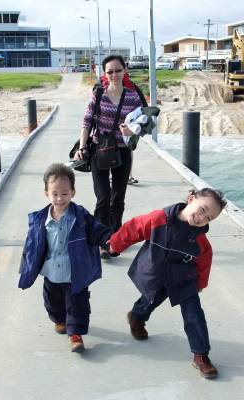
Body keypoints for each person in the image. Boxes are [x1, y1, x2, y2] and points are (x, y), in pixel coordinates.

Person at [108, 188, 227, 379]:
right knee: (150, 299)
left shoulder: (200, 241)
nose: (202, 218)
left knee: (194, 313)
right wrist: (115, 244)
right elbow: (135, 227)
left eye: (209, 218)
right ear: (191, 199)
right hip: (157, 271)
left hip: (183, 278)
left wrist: (200, 283)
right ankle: (136, 317)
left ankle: (201, 354)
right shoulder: (159, 219)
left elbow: (205, 261)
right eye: (203, 209)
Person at [18, 163, 113, 353]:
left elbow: (97, 230)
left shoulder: (81, 217)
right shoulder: (40, 220)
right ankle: (59, 319)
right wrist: (26, 267)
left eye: (64, 193)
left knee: (78, 304)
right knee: (53, 301)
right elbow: (31, 246)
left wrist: (110, 239)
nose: (60, 198)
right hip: (51, 271)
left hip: (74, 271)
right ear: (46, 193)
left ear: (73, 192)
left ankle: (76, 335)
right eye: (55, 193)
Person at [74, 55, 144, 259]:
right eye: (110, 71)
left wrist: (132, 131)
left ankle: (116, 237)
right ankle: (102, 240)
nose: (114, 75)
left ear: (124, 71)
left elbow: (144, 123)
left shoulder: (133, 95)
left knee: (118, 197)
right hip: (100, 149)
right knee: (103, 197)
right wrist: (81, 147)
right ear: (105, 74)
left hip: (122, 150)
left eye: (117, 70)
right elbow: (87, 122)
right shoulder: (98, 94)